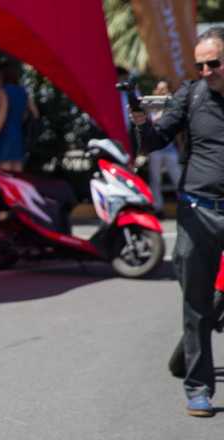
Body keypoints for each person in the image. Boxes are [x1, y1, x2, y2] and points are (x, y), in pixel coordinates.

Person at [131, 26, 224, 417]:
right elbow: (156, 140)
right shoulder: (191, 94)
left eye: (214, 63)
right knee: (197, 304)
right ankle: (199, 388)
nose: (206, 71)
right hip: (198, 209)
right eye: (200, 64)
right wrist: (141, 124)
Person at [0, 60, 39, 172]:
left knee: (3, 176)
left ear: (3, 76)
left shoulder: (3, 91)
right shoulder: (23, 92)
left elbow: (2, 115)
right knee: (17, 175)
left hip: (4, 137)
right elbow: (35, 113)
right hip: (18, 137)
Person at [146, 80, 183, 217]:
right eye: (161, 89)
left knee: (177, 177)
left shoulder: (172, 105)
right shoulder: (151, 105)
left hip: (169, 147)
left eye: (166, 89)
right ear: (156, 91)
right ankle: (158, 207)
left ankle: (184, 204)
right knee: (155, 179)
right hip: (156, 148)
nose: (163, 92)